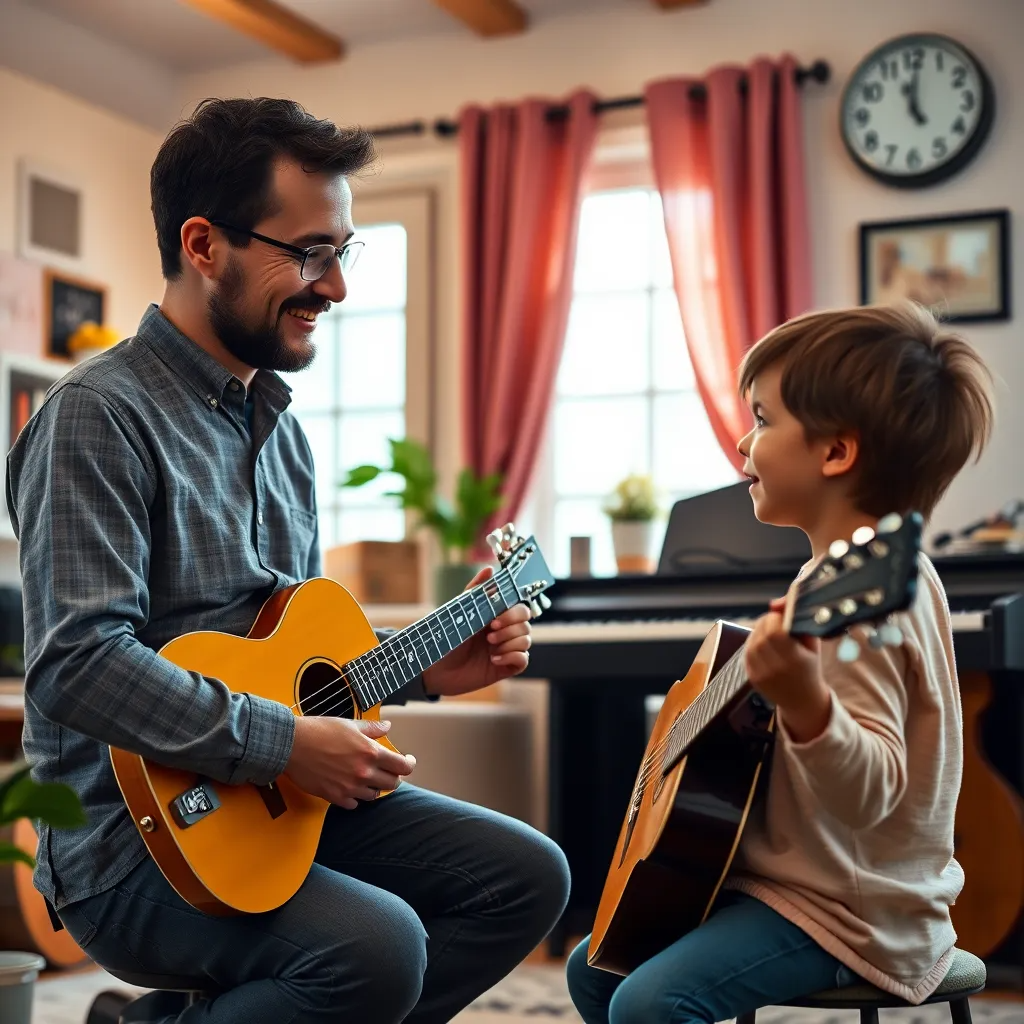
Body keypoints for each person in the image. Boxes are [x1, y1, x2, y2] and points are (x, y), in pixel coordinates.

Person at [7, 97, 569, 1024]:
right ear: (203, 245)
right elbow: (76, 665)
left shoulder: (285, 437)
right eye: (309, 253)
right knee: (380, 950)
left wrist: (424, 671)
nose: (336, 286)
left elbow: (278, 656)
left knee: (526, 879)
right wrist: (284, 745)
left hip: (269, 804)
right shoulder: (95, 416)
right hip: (132, 843)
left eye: (343, 253)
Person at [566, 302, 994, 1023]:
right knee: (597, 966)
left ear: (835, 453)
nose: (741, 441)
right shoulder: (826, 577)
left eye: (763, 420)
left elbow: (876, 793)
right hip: (795, 882)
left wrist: (806, 702)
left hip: (856, 912)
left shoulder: (875, 596)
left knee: (649, 1001)